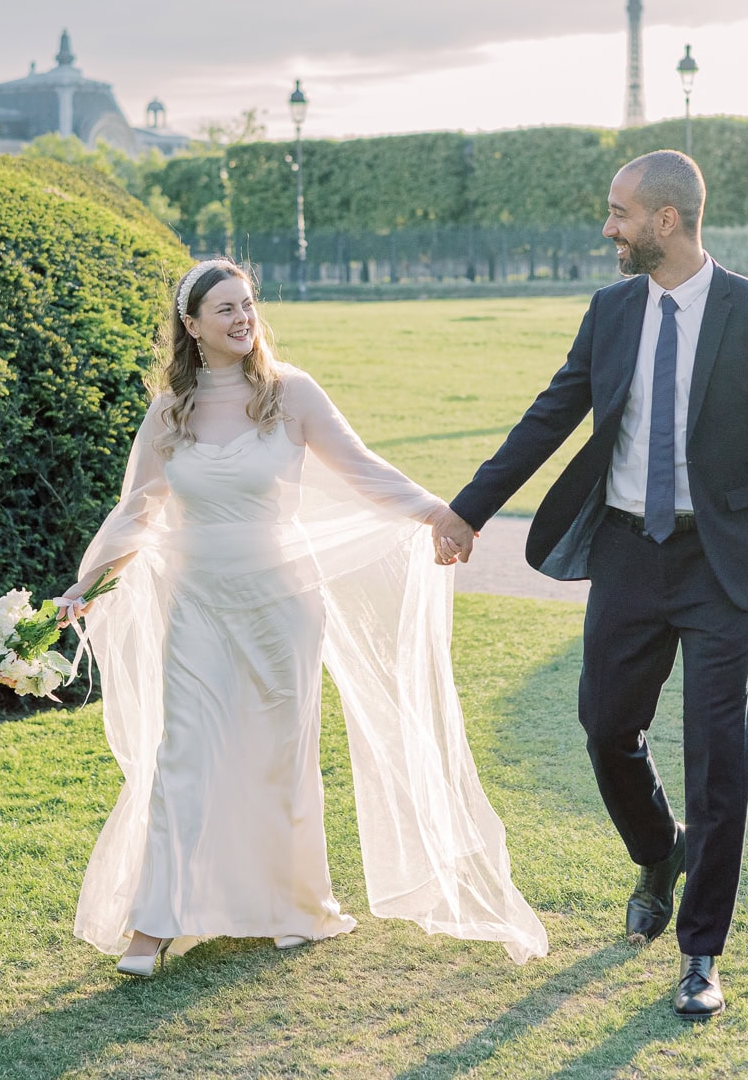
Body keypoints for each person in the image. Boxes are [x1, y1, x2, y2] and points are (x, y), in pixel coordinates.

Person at [55, 257, 546, 976]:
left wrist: (443, 514)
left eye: (247, 304)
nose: (242, 318)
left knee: (278, 760)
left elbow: (364, 470)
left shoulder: (291, 394)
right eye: (224, 309)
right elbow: (138, 510)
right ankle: (154, 924)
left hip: (280, 607)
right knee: (184, 756)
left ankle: (291, 908)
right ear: (192, 326)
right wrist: (85, 586)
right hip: (197, 608)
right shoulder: (169, 412)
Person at [436, 150, 748, 1020]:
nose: (609, 227)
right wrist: (467, 509)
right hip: (629, 553)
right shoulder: (610, 310)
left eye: (620, 213)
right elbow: (550, 413)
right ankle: (657, 850)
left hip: (721, 564)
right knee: (607, 725)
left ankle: (701, 952)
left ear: (665, 221)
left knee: (719, 757)